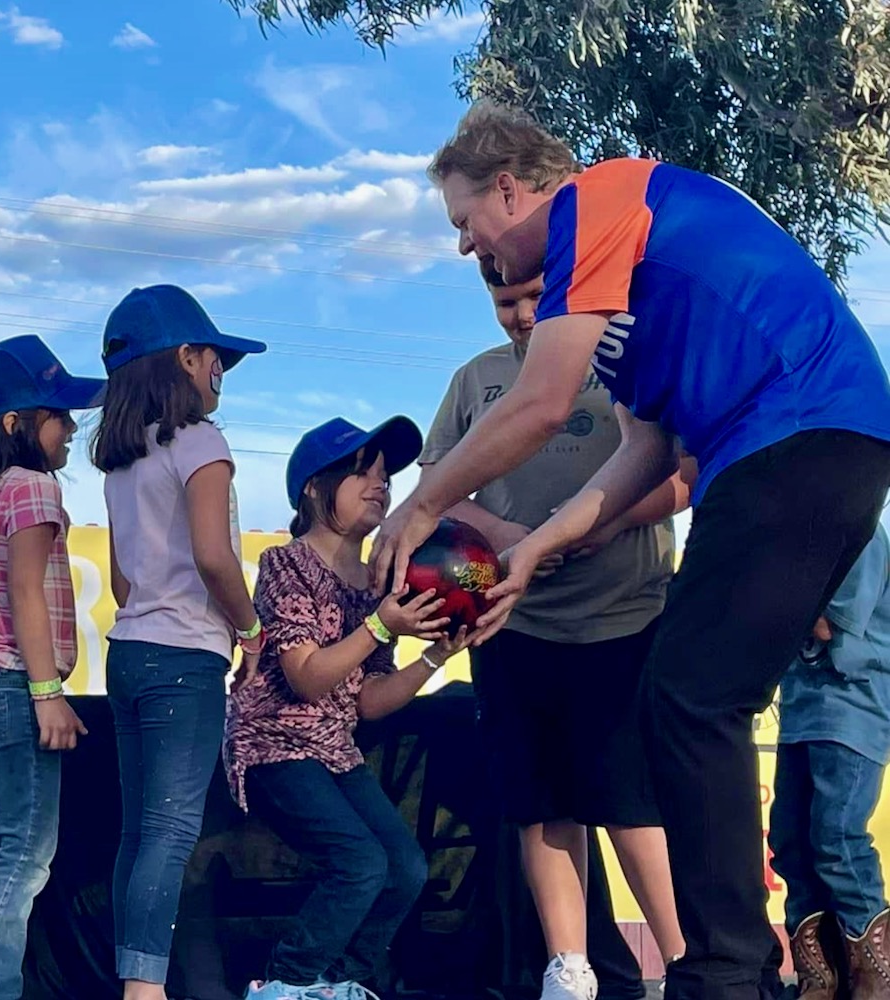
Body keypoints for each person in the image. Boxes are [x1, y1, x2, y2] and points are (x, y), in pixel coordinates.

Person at [370, 101, 890, 1000]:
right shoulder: (621, 304)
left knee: (691, 700)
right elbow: (643, 449)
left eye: (465, 222)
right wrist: (535, 549)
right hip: (787, 451)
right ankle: (731, 963)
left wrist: (424, 501)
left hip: (802, 434)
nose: (466, 248)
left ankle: (725, 970)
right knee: (686, 699)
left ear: (509, 186)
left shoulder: (602, 200)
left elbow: (537, 405)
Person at [420, 259, 687, 1000]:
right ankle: (568, 969)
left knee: (633, 804)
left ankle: (685, 964)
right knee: (541, 806)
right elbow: (439, 488)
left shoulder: (626, 364)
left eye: (538, 295)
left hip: (626, 618)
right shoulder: (476, 380)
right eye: (507, 301)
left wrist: (601, 524)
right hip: (515, 621)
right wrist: (506, 529)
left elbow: (680, 476)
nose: (524, 314)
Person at [225, 416, 473, 1000]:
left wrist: (436, 655)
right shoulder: (286, 565)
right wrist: (381, 624)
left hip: (335, 750)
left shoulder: (374, 584)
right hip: (274, 745)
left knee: (406, 868)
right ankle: (283, 982)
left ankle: (341, 983)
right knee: (360, 863)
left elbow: (369, 699)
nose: (380, 485)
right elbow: (308, 678)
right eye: (364, 471)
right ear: (314, 487)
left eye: (386, 475)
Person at [91, 284, 266, 1000]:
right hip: (184, 658)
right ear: (185, 359)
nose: (219, 371)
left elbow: (123, 584)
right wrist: (249, 630)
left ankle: (134, 979)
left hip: (129, 651)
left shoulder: (121, 461)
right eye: (213, 357)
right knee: (169, 832)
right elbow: (216, 557)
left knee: (139, 834)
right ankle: (144, 990)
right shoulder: (201, 442)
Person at [0, 335, 104, 1000]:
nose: (69, 430)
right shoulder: (34, 489)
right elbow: (26, 594)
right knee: (23, 855)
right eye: (58, 416)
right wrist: (47, 692)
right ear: (16, 424)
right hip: (11, 683)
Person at [769, 524, 890, 1000]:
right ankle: (819, 976)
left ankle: (874, 976)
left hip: (852, 710)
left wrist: (766, 588)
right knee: (790, 840)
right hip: (801, 709)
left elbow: (828, 625)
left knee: (837, 835)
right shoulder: (801, 535)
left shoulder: (859, 533)